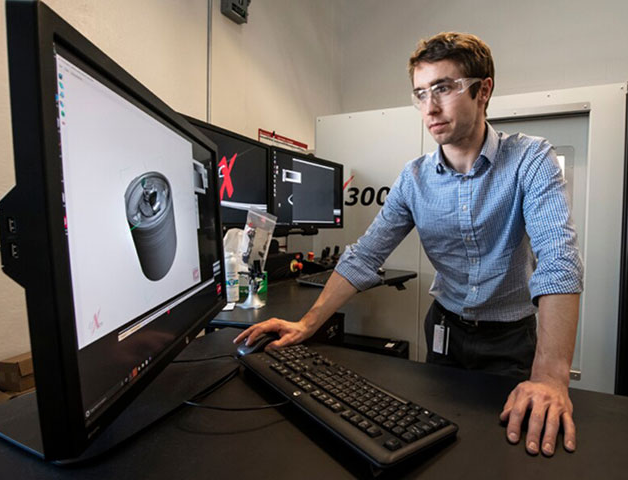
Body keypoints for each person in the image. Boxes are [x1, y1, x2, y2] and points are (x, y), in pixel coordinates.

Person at [234, 32, 583, 457]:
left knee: (502, 454)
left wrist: (550, 376)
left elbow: (558, 261)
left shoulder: (530, 159)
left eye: (444, 88)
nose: (430, 107)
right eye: (421, 93)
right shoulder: (413, 179)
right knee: (437, 445)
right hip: (445, 331)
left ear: (483, 90)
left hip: (510, 341)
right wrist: (308, 324)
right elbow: (366, 255)